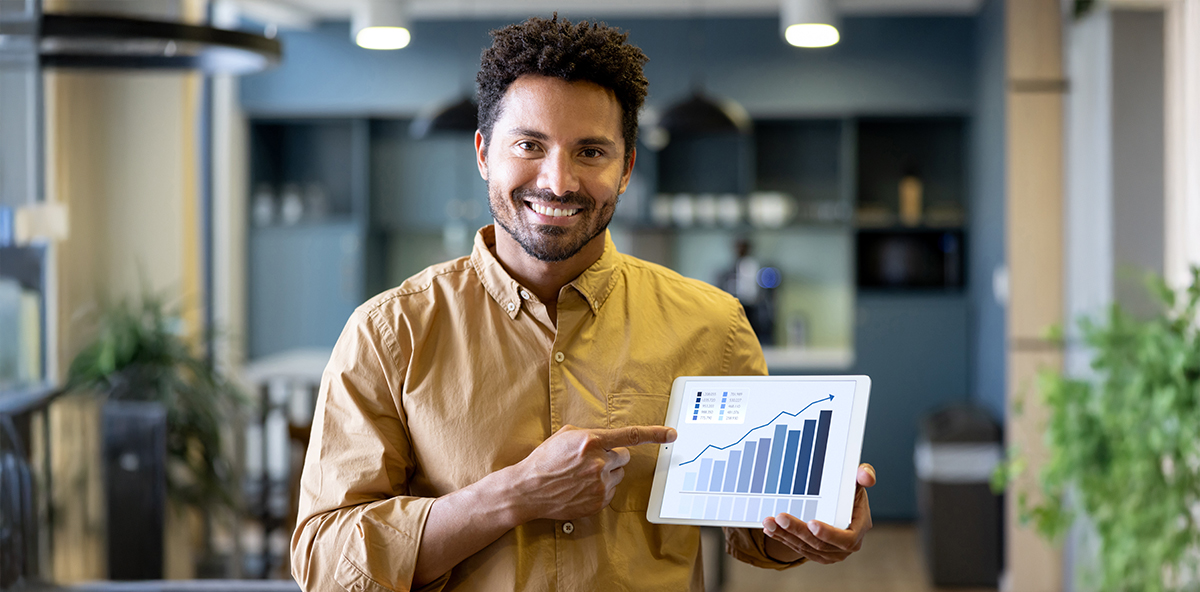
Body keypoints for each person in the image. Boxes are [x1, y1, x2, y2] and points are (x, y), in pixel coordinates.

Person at [291, 15, 875, 592]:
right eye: (529, 145)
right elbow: (324, 559)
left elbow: (756, 532)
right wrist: (513, 495)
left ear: (626, 170)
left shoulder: (712, 326)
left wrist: (817, 520)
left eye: (591, 152)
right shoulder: (390, 333)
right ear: (482, 153)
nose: (559, 181)